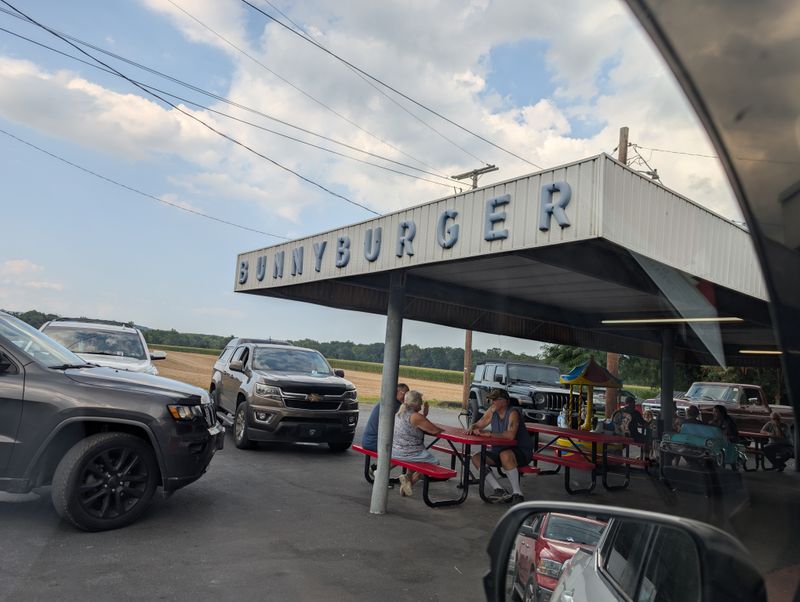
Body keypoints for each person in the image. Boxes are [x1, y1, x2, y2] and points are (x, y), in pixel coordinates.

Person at [467, 388, 533, 505]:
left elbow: (510, 435)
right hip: (499, 450)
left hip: (521, 452)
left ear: (505, 401)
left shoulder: (513, 413)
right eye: (491, 399)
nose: (492, 402)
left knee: (505, 455)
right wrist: (472, 427)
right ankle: (499, 490)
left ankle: (517, 493)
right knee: (476, 458)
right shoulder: (492, 410)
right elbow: (480, 423)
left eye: (495, 399)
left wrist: (489, 434)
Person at [391, 390, 443, 497]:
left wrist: (424, 415)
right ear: (415, 403)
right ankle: (410, 482)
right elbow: (434, 430)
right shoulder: (415, 416)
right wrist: (442, 430)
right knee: (434, 463)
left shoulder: (400, 412)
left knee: (417, 458)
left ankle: (407, 479)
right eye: (420, 401)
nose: (422, 403)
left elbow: (417, 425)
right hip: (409, 452)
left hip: (396, 450)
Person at [361, 383, 410, 452]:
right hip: (375, 443)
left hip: (369, 441)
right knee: (408, 450)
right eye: (405, 393)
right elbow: (406, 425)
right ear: (396, 392)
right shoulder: (395, 406)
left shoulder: (388, 402)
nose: (407, 396)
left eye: (408, 394)